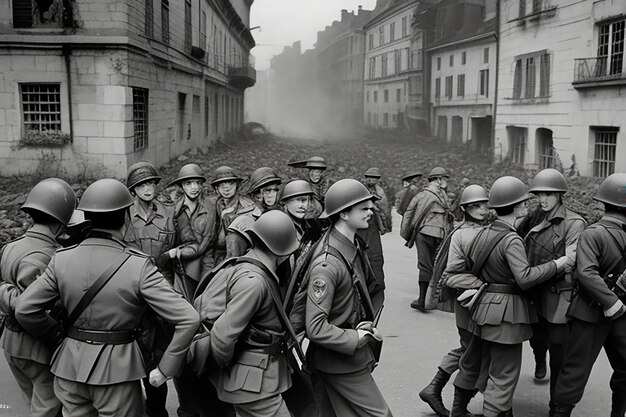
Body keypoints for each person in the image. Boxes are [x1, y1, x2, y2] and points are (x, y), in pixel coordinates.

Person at [14, 178, 200, 417]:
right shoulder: (138, 266)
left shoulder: (62, 258)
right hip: (117, 372)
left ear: (88, 218)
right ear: (125, 219)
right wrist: (165, 370)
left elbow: (24, 309)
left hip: (68, 368)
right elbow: (189, 318)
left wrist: (57, 336)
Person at [446, 176, 569, 417]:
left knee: (480, 364)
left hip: (483, 310)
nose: (526, 206)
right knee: (504, 376)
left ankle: (461, 410)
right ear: (517, 207)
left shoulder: (484, 231)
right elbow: (524, 277)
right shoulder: (511, 238)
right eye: (523, 203)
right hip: (506, 315)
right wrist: (557, 264)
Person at [197, 210, 300, 417]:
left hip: (256, 378)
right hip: (252, 382)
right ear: (282, 250)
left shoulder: (254, 268)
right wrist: (229, 367)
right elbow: (221, 336)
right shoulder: (254, 282)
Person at [304, 178, 391, 417]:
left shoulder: (351, 245)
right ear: (343, 214)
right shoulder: (328, 264)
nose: (371, 211)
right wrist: (356, 336)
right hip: (338, 361)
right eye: (363, 208)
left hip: (341, 358)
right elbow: (316, 327)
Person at [551, 173, 626, 417]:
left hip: (602, 313)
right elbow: (587, 273)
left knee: (575, 370)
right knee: (576, 370)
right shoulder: (595, 233)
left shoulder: (592, 233)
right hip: (600, 311)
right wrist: (613, 302)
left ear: (603, 201)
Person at [0, 178, 76, 417]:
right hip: (36, 347)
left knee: (31, 403)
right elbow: (32, 309)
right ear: (61, 220)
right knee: (47, 408)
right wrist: (55, 336)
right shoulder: (48, 255)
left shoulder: (12, 246)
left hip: (11, 344)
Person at [517, 169, 585, 411]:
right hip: (535, 289)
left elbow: (571, 259)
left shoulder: (574, 222)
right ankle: (538, 361)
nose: (543, 198)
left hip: (559, 293)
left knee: (559, 351)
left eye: (549, 194)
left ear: (559, 195)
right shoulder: (534, 218)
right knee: (537, 338)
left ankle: (555, 404)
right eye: (540, 194)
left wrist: (543, 270)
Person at [419, 184, 490, 417]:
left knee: (469, 349)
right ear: (465, 209)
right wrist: (483, 284)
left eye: (483, 204)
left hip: (475, 300)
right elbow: (451, 275)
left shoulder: (481, 228)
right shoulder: (463, 233)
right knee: (472, 351)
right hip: (468, 301)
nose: (480, 209)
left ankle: (435, 388)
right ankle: (454, 403)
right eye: (474, 206)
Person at [122, 161, 178, 417]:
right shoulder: (123, 216)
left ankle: (157, 411)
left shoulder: (168, 212)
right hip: (131, 295)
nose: (147, 189)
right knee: (130, 357)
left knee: (159, 358)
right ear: (133, 190)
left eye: (150, 184)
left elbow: (185, 244)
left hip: (163, 291)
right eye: (141, 185)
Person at [401, 167, 453, 311]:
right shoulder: (444, 196)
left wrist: (406, 233)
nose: (446, 182)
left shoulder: (423, 195)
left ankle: (423, 299)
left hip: (424, 233)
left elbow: (410, 214)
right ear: (438, 180)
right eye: (444, 179)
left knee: (424, 265)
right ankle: (432, 299)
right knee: (437, 265)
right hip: (441, 234)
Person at [169, 163, 218, 301]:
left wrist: (179, 253)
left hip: (204, 260)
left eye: (198, 183)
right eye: (189, 183)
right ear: (182, 186)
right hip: (179, 264)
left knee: (204, 297)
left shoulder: (209, 209)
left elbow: (205, 243)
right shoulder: (174, 210)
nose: (194, 188)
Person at [211, 165, 261, 263]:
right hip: (214, 253)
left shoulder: (248, 206)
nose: (227, 188)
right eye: (222, 184)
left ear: (237, 185)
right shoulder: (214, 204)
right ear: (216, 188)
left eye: (231, 183)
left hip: (239, 256)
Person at [358, 167, 392, 289]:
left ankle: (375, 286)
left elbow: (385, 210)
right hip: (361, 225)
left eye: (373, 178)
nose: (370, 180)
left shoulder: (380, 192)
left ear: (377, 179)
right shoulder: (361, 189)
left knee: (374, 256)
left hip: (371, 226)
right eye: (368, 177)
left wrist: (385, 225)